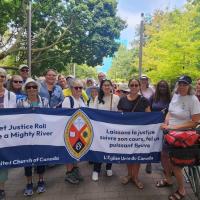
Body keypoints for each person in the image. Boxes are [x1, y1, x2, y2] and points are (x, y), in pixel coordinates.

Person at [158, 75, 200, 200]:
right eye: (180, 84)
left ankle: (182, 190)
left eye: (184, 84)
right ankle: (169, 179)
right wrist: (166, 123)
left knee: (176, 164)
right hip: (169, 134)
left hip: (183, 136)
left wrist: (173, 128)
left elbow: (195, 122)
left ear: (189, 86)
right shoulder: (175, 96)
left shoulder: (193, 100)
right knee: (164, 156)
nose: (181, 87)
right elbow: (170, 111)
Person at [17, 78, 48, 196]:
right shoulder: (21, 103)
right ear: (25, 89)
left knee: (41, 159)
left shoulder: (44, 101)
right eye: (29, 87)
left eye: (34, 87)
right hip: (26, 137)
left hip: (41, 136)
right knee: (27, 161)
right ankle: (29, 183)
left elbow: (49, 116)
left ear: (38, 89)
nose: (31, 89)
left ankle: (41, 181)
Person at [117, 78, 150, 189]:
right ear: (129, 86)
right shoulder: (122, 100)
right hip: (126, 134)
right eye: (132, 85)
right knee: (128, 155)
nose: (134, 87)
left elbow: (149, 117)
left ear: (139, 86)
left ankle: (135, 177)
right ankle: (129, 174)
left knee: (137, 156)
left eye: (136, 85)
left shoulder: (144, 100)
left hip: (139, 134)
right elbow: (119, 117)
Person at [92, 79, 120, 181]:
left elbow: (119, 112)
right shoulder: (97, 98)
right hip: (100, 129)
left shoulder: (116, 98)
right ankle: (96, 170)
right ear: (101, 87)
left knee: (110, 148)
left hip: (112, 128)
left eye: (108, 85)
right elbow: (93, 113)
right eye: (105, 85)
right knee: (99, 148)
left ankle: (109, 167)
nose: (107, 87)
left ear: (111, 86)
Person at [62, 79, 86, 184]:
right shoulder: (68, 100)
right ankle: (69, 173)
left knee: (77, 152)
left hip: (80, 132)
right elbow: (65, 117)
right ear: (71, 89)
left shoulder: (82, 100)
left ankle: (75, 171)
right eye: (76, 87)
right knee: (69, 154)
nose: (78, 90)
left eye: (80, 88)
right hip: (71, 131)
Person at [0, 68, 16, 200]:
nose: (0, 78)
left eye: (2, 76)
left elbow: (13, 117)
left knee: (2, 162)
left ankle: (1, 189)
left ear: (5, 79)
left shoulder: (11, 96)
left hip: (4, 135)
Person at [139, 75, 154, 173]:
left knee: (148, 138)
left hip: (148, 116)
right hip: (138, 117)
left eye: (145, 80)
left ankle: (149, 161)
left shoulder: (152, 90)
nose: (143, 81)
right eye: (142, 80)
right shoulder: (135, 88)